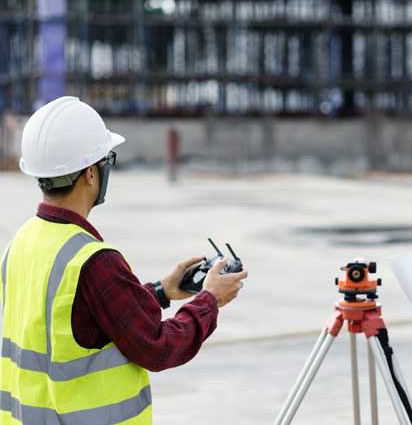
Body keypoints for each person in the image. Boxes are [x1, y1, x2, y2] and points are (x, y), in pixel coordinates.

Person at [0, 96, 247, 424]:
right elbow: (156, 346)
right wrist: (209, 300)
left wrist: (161, 291)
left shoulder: (21, 242)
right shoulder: (93, 262)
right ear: (90, 173)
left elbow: (80, 325)